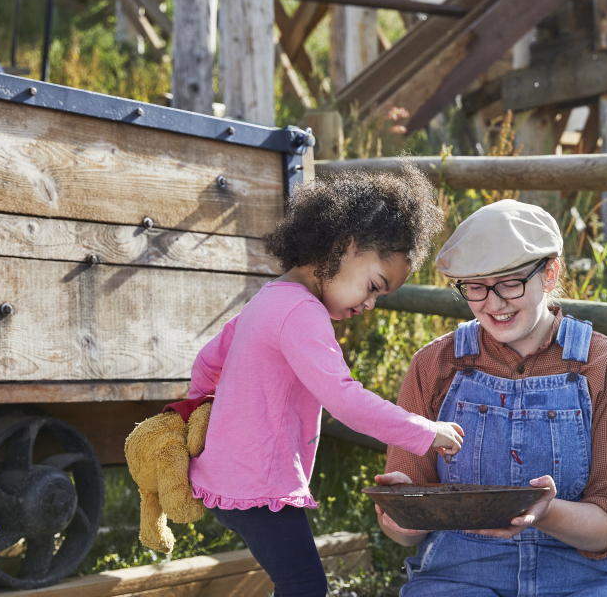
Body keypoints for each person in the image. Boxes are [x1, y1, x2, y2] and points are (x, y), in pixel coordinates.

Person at [187, 164, 465, 597]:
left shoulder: (267, 299)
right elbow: (345, 400)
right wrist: (425, 431)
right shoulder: (303, 313)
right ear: (345, 245)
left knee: (295, 583)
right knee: (305, 587)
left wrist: (201, 426)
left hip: (230, 478)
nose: (370, 304)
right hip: (260, 485)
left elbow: (206, 364)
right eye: (374, 285)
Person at [374, 199, 607, 597]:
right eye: (476, 287)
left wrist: (546, 513)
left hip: (582, 579)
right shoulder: (435, 365)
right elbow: (408, 537)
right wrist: (402, 513)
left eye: (509, 283)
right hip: (457, 576)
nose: (493, 303)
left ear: (550, 273)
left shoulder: (606, 366)